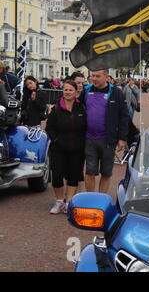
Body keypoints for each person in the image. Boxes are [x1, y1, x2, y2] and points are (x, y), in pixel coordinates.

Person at [81, 69, 128, 194]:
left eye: (98, 76)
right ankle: (90, 199)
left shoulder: (116, 92)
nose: (94, 79)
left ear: (106, 77)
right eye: (92, 76)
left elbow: (124, 116)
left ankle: (101, 199)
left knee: (106, 173)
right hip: (89, 138)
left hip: (108, 140)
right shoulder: (86, 90)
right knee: (90, 171)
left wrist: (122, 138)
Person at [46, 80, 87, 214]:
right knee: (57, 176)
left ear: (76, 92)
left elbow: (86, 126)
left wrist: (82, 142)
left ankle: (68, 202)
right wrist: (56, 140)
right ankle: (59, 201)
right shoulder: (57, 108)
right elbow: (49, 128)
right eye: (65, 90)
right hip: (59, 148)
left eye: (70, 90)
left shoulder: (82, 107)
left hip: (77, 148)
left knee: (73, 175)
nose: (68, 92)